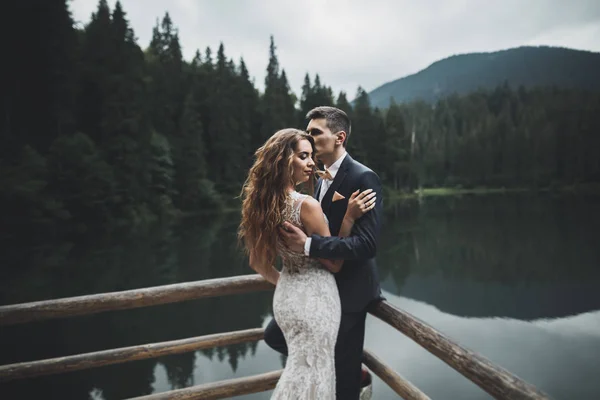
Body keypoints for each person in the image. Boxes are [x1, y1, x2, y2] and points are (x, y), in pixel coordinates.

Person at [238, 128, 376, 399]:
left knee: (300, 368)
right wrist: (348, 219)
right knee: (316, 371)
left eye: (312, 156)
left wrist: (289, 283)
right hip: (317, 298)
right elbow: (335, 264)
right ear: (283, 160)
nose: (312, 163)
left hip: (287, 299)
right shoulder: (306, 205)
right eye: (303, 156)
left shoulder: (260, 204)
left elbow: (257, 262)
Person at [272, 106, 383, 400]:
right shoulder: (318, 179)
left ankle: (353, 381)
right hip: (321, 284)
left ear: (339, 137)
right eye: (307, 132)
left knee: (343, 378)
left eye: (315, 132)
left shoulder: (363, 178)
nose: (308, 137)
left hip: (351, 289)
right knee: (276, 335)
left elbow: (367, 245)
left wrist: (308, 246)